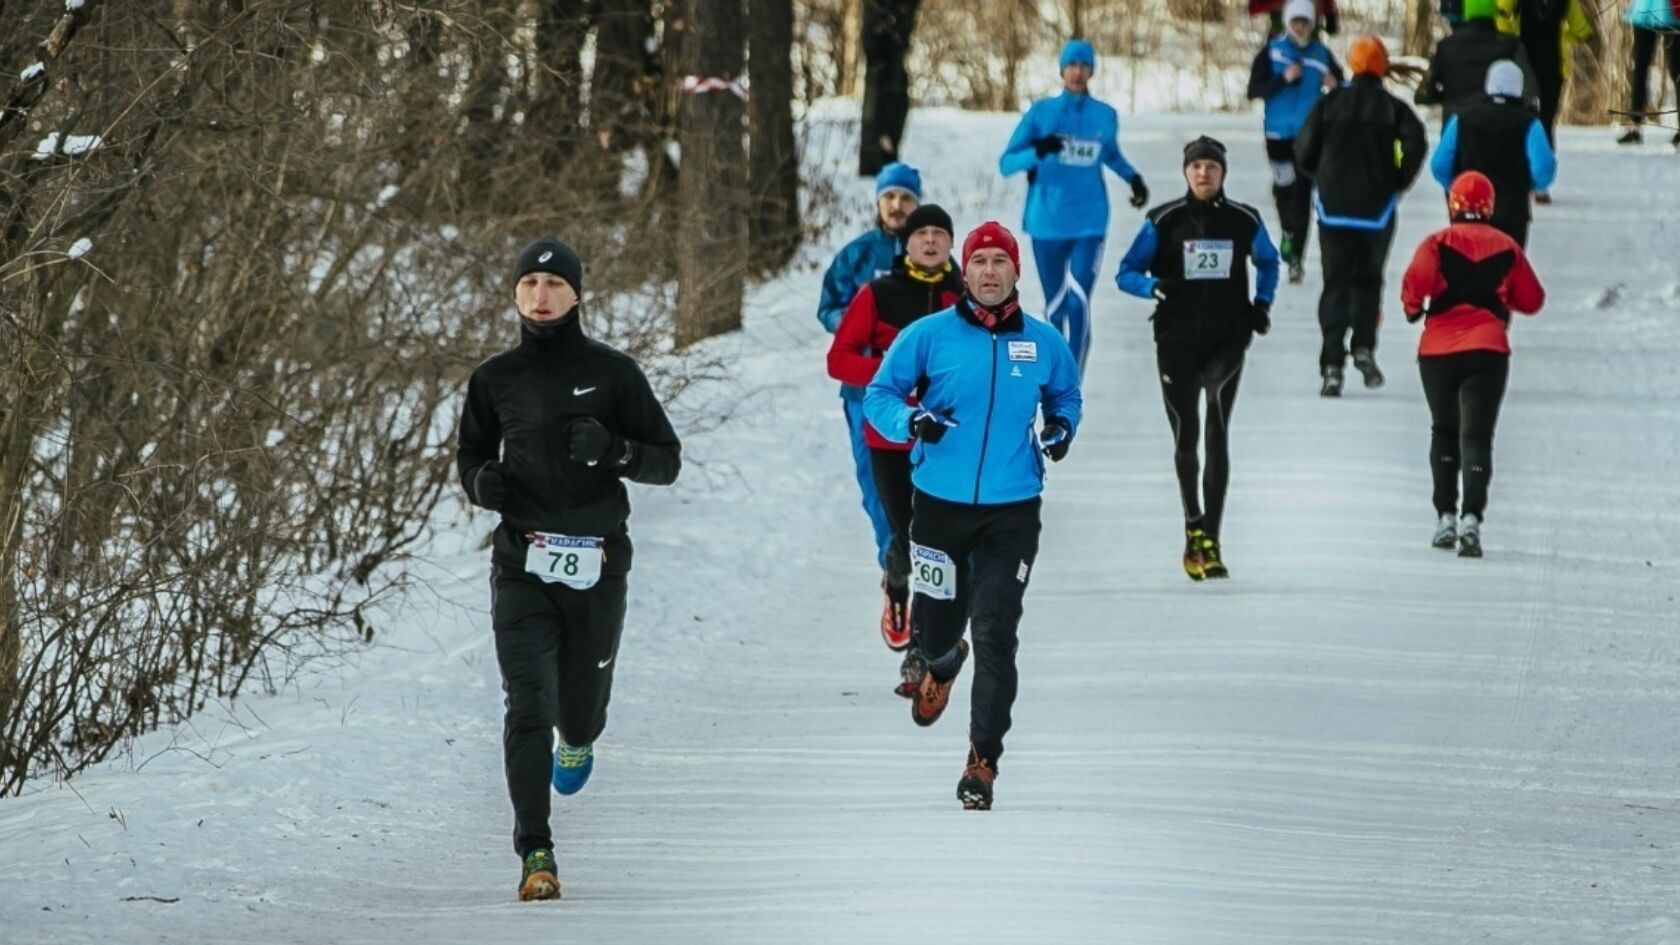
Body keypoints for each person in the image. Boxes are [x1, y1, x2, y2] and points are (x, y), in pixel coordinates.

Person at [456, 237, 682, 901]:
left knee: (577, 711)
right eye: (529, 283)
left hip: (597, 562)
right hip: (521, 562)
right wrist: (481, 481)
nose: (541, 295)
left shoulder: (613, 373)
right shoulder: (495, 378)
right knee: (528, 703)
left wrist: (615, 450)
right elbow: (470, 453)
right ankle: (536, 849)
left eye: (554, 284)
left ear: (578, 294)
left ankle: (579, 740)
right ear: (515, 294)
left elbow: (665, 459)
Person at [864, 221, 1082, 811]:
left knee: (995, 631)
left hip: (1011, 511)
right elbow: (880, 395)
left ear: (1016, 272)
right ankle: (940, 659)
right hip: (937, 507)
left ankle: (981, 760)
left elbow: (1066, 394)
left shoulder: (1041, 342)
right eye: (979, 261)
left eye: (999, 262)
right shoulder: (927, 336)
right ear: (966, 270)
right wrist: (911, 421)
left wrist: (1062, 427)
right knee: (938, 630)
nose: (989, 271)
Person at [1116, 136, 1280, 580]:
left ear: (1223, 172)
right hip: (1175, 339)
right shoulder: (1164, 219)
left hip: (1228, 339)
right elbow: (1125, 271)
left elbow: (1269, 261)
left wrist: (1262, 304)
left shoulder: (1245, 220)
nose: (1203, 173)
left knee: (1218, 429)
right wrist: (1151, 287)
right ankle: (1194, 527)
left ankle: (1214, 536)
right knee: (1187, 434)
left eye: (1211, 166)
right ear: (1185, 173)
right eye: (1196, 167)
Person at [826, 204, 963, 675]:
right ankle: (898, 589)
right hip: (888, 438)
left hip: (948, 438)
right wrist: (890, 375)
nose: (929, 241)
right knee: (905, 539)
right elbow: (839, 360)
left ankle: (922, 650)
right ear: (905, 244)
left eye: (938, 234)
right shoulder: (877, 294)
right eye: (920, 233)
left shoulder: (963, 295)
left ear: (949, 243)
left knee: (937, 539)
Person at [1400, 172, 1544, 557]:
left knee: (1444, 431)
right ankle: (1471, 521)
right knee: (1477, 437)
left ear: (1453, 204)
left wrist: (1414, 309)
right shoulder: (1507, 246)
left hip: (1437, 352)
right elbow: (1532, 300)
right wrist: (1501, 301)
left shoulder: (1436, 243)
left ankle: (1444, 515)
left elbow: (1416, 283)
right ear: (1490, 206)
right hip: (1488, 351)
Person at [999, 39, 1149, 376]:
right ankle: (1056, 380)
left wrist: (1133, 178)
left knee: (1078, 302)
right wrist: (1038, 150)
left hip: (1090, 222)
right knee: (1056, 308)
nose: (1078, 72)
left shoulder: (1105, 115)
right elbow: (1006, 163)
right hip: (1047, 222)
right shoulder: (1041, 113)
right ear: (1062, 70)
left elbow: (1107, 153)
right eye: (1072, 65)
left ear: (1092, 70)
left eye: (1084, 65)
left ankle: (1072, 386)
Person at [1295, 33, 1428, 397]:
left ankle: (1332, 364)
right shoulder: (1394, 108)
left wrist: (1319, 177)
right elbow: (1416, 141)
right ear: (1383, 66)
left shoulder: (1330, 103)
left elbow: (1303, 147)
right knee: (1369, 280)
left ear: (1352, 65)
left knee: (1335, 283)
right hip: (1377, 210)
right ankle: (1365, 346)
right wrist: (1398, 181)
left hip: (1333, 210)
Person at [817, 162, 922, 584]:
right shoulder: (859, 254)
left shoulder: (932, 256)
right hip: (864, 390)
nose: (897, 206)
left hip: (919, 393)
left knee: (921, 478)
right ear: (878, 202)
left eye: (906, 198)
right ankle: (892, 563)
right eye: (890, 197)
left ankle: (929, 562)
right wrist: (861, 324)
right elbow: (827, 307)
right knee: (873, 480)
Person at [1245, 0, 1343, 284]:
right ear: (1287, 23)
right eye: (1295, 22)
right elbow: (1254, 90)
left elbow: (1345, 88)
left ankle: (1296, 259)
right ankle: (1287, 231)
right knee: (1284, 191)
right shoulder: (1272, 52)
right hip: (1277, 136)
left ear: (1313, 24)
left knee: (1303, 196)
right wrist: (1282, 80)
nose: (1300, 27)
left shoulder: (1321, 53)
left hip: (1310, 137)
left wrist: (1336, 86)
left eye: (1305, 22)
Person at [1430, 60, 1557, 248]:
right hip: (1512, 211)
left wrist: (1457, 187)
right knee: (1508, 269)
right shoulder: (1529, 122)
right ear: (1519, 87)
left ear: (1489, 85)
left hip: (1468, 207)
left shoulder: (1461, 119)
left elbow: (1439, 164)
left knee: (1468, 269)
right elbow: (1544, 168)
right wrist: (1530, 186)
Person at [1498, 0, 1593, 202]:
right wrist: (1563, 35)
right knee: (1546, 123)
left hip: (1524, 66)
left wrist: (1511, 39)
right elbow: (1583, 31)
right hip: (1554, 66)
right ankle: (1542, 186)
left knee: (1521, 122)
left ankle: (1519, 177)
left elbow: (1501, 14)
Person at [1414, 0, 1537, 126]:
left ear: (1466, 11)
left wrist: (1450, 99)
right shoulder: (1513, 46)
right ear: (1494, 10)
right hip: (1499, 130)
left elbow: (1422, 95)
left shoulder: (1445, 47)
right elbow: (1531, 92)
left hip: (1455, 130)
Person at [1618, 22, 1680, 146]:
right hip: (1646, 10)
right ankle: (1635, 127)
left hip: (1674, 12)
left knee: (1677, 71)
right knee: (1640, 67)